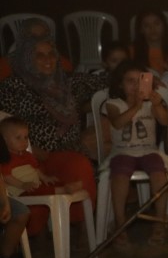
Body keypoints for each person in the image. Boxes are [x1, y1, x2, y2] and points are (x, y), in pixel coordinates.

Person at [0, 34, 99, 226]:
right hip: (26, 155)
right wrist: (31, 149)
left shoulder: (69, 82)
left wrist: (149, 82)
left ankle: (79, 229)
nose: (48, 60)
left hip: (66, 152)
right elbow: (6, 125)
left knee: (80, 166)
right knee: (27, 183)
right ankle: (36, 239)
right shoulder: (13, 87)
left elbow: (108, 81)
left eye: (51, 54)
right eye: (39, 55)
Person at [1, 116, 88, 243]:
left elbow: (36, 170)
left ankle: (65, 186)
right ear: (4, 140)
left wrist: (45, 177)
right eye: (18, 138)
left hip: (34, 186)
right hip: (20, 191)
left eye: (26, 137)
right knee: (40, 189)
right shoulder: (6, 158)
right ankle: (64, 189)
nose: (24, 142)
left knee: (50, 183)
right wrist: (23, 184)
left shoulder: (27, 155)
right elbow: (7, 178)